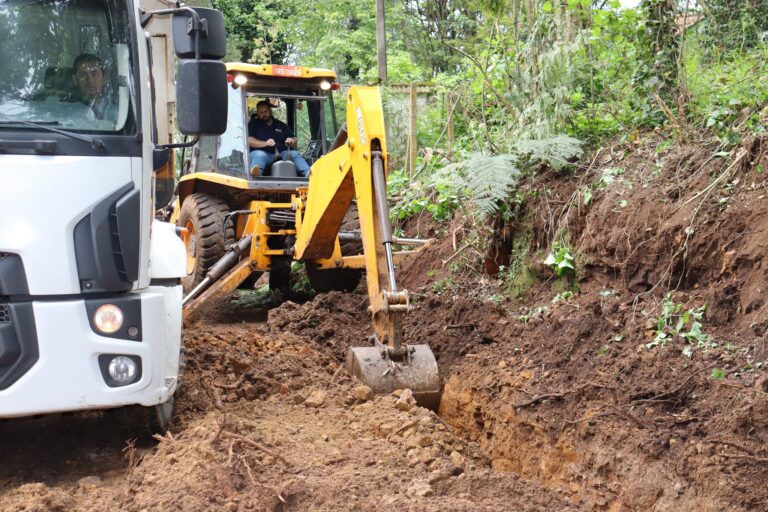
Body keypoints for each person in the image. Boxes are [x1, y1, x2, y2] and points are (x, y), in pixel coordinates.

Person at [247, 100, 311, 177]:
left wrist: (291, 141)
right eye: (261, 112)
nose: (264, 114)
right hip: (264, 154)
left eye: (266, 111)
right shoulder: (253, 125)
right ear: (257, 113)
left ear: (270, 111)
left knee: (294, 154)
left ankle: (308, 173)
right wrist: (265, 143)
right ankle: (256, 174)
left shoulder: (280, 124)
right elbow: (249, 140)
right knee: (259, 155)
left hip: (282, 153)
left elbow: (294, 139)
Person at [64, 53, 114, 120]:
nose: (90, 79)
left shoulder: (117, 113)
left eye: (94, 73)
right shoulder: (66, 110)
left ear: (104, 78)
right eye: (83, 74)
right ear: (75, 80)